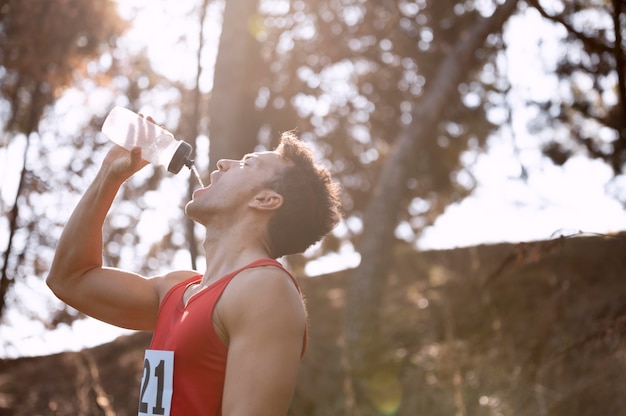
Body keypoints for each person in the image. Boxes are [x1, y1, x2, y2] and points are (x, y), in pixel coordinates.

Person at [46, 128, 342, 415]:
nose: (224, 162)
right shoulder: (177, 290)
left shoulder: (266, 289)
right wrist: (110, 175)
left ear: (265, 200)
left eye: (247, 162)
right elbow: (69, 279)